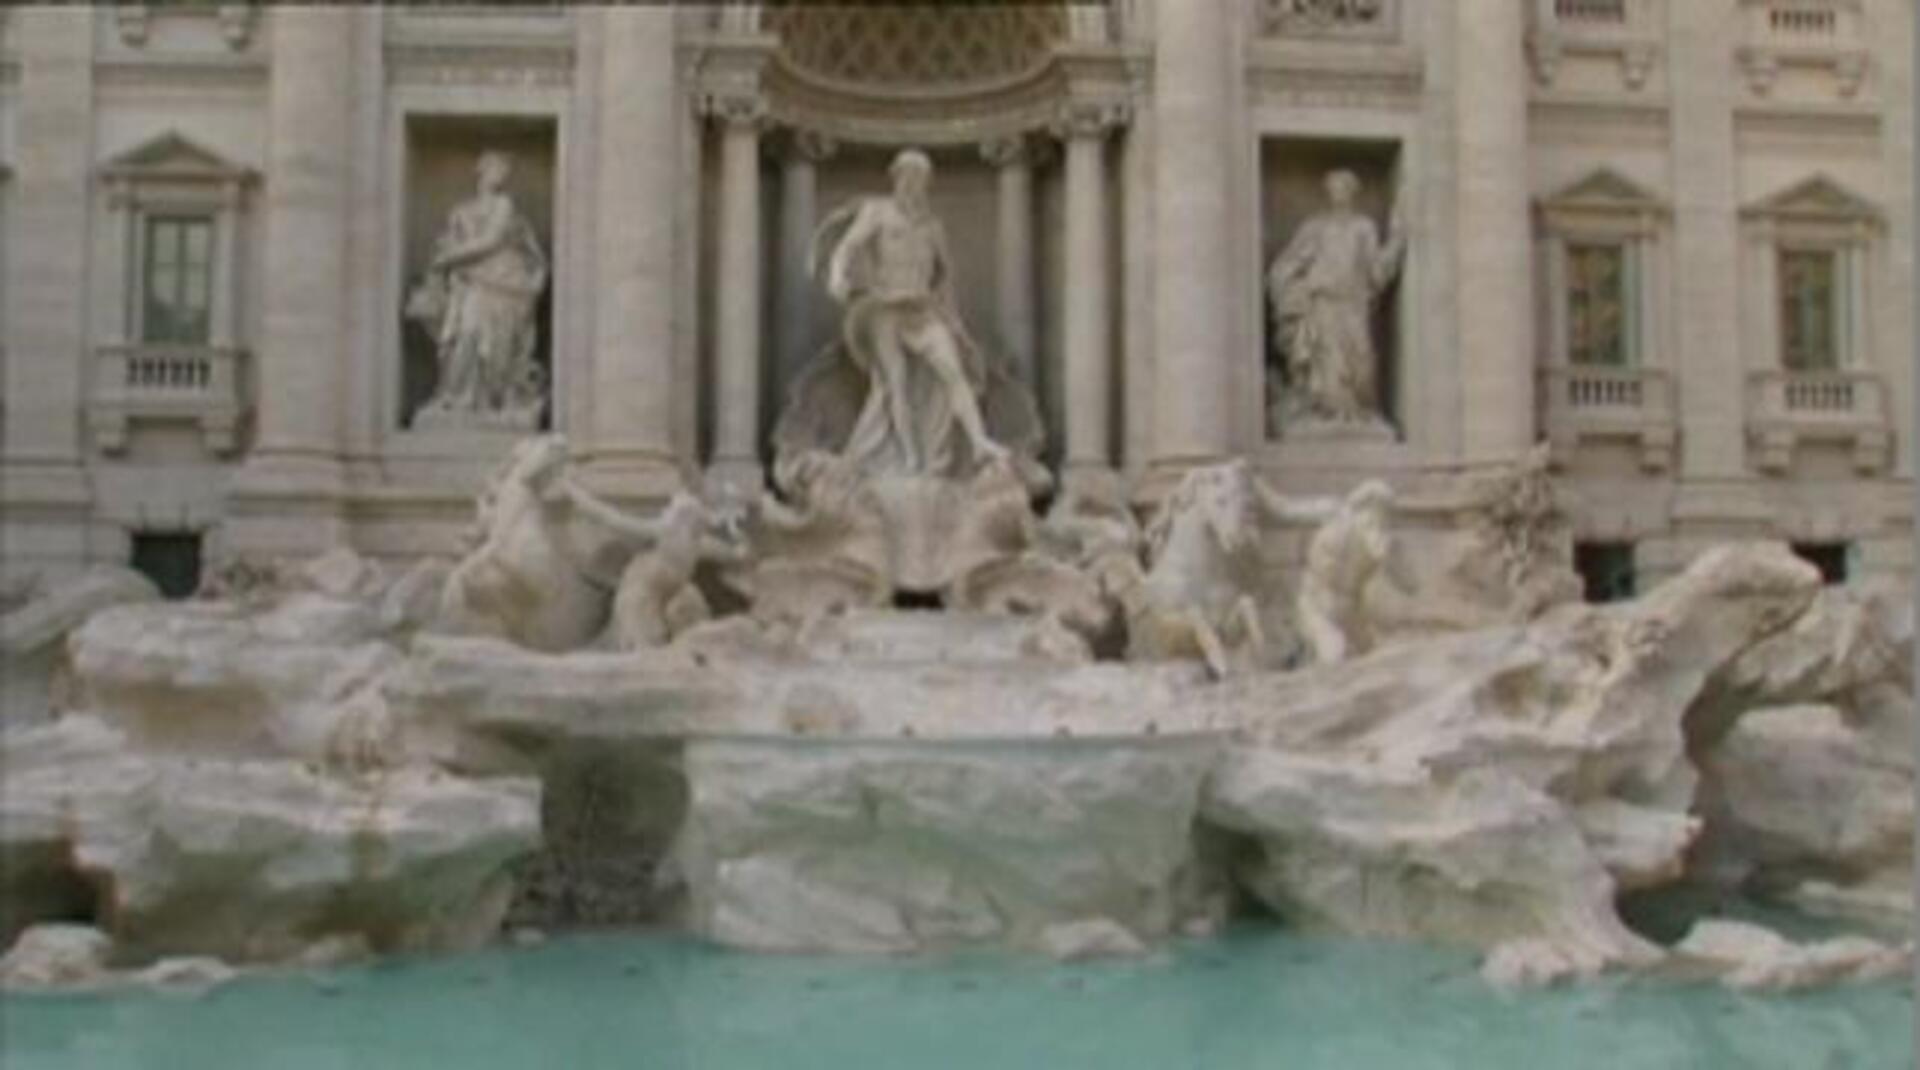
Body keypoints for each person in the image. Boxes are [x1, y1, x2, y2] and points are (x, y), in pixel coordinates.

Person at [811, 149, 1009, 477]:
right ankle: (910, 460)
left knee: (953, 371)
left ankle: (979, 442)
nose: (914, 184)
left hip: (922, 309)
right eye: (908, 176)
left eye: (920, 178)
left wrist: (954, 321)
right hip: (884, 309)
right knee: (895, 384)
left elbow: (943, 278)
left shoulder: (932, 226)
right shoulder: (878, 212)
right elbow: (848, 246)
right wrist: (837, 274)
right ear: (897, 178)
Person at [410, 150, 548, 422]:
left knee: (485, 336)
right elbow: (448, 240)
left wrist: (450, 257)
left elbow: (492, 240)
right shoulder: (461, 210)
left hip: (501, 281)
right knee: (464, 334)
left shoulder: (503, 205)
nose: (501, 175)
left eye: (504, 172)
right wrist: (445, 256)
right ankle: (458, 397)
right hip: (468, 282)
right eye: (496, 169)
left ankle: (487, 400)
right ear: (481, 170)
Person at [1266, 169, 1405, 426]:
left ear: (1353, 192)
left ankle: (1355, 412)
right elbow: (1288, 263)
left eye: (1343, 187)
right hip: (1322, 303)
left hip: (1354, 303)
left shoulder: (1364, 227)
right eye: (1333, 187)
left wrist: (1396, 240)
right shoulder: (1315, 227)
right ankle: (1329, 414)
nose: (1338, 191)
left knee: (1360, 362)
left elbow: (1376, 269)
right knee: (1327, 363)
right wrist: (1294, 289)